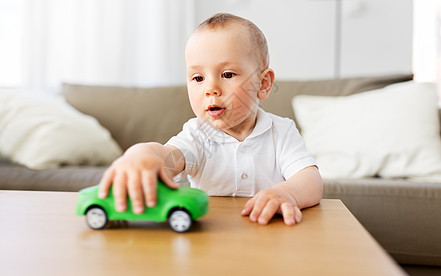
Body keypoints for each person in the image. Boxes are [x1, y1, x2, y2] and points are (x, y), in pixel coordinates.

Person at [99, 13, 323, 226]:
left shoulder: (281, 132)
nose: (210, 89)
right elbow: (169, 158)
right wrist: (143, 154)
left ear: (263, 84)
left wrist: (286, 193)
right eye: (198, 78)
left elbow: (310, 180)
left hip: (270, 235)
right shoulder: (197, 136)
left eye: (227, 74)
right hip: (209, 240)